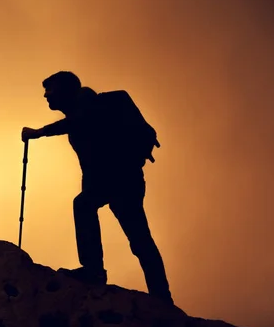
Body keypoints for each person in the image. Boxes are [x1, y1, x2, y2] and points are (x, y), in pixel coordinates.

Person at [21, 71, 173, 305]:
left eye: (50, 91)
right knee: (120, 226)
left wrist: (39, 132)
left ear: (65, 90)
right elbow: (90, 161)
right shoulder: (81, 112)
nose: (45, 96)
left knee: (136, 236)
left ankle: (102, 274)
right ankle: (103, 274)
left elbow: (80, 122)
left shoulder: (89, 105)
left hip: (123, 179)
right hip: (110, 180)